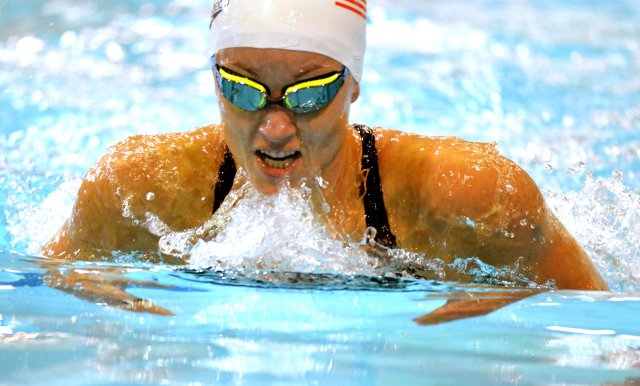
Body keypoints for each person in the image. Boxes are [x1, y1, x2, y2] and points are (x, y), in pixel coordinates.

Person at [42, 0, 607, 319]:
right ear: (213, 79)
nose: (276, 126)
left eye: (310, 94)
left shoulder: (468, 196)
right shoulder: (139, 185)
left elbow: (602, 327)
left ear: (353, 85)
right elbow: (52, 288)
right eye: (242, 88)